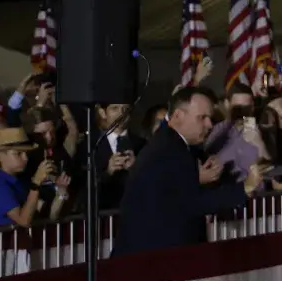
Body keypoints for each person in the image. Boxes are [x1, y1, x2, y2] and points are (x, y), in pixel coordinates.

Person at [113, 86, 265, 257]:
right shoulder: (171, 149)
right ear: (178, 116)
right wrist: (244, 188)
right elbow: (194, 202)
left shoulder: (173, 144)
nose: (209, 124)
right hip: (150, 257)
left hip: (153, 253)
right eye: (202, 118)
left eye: (210, 118)